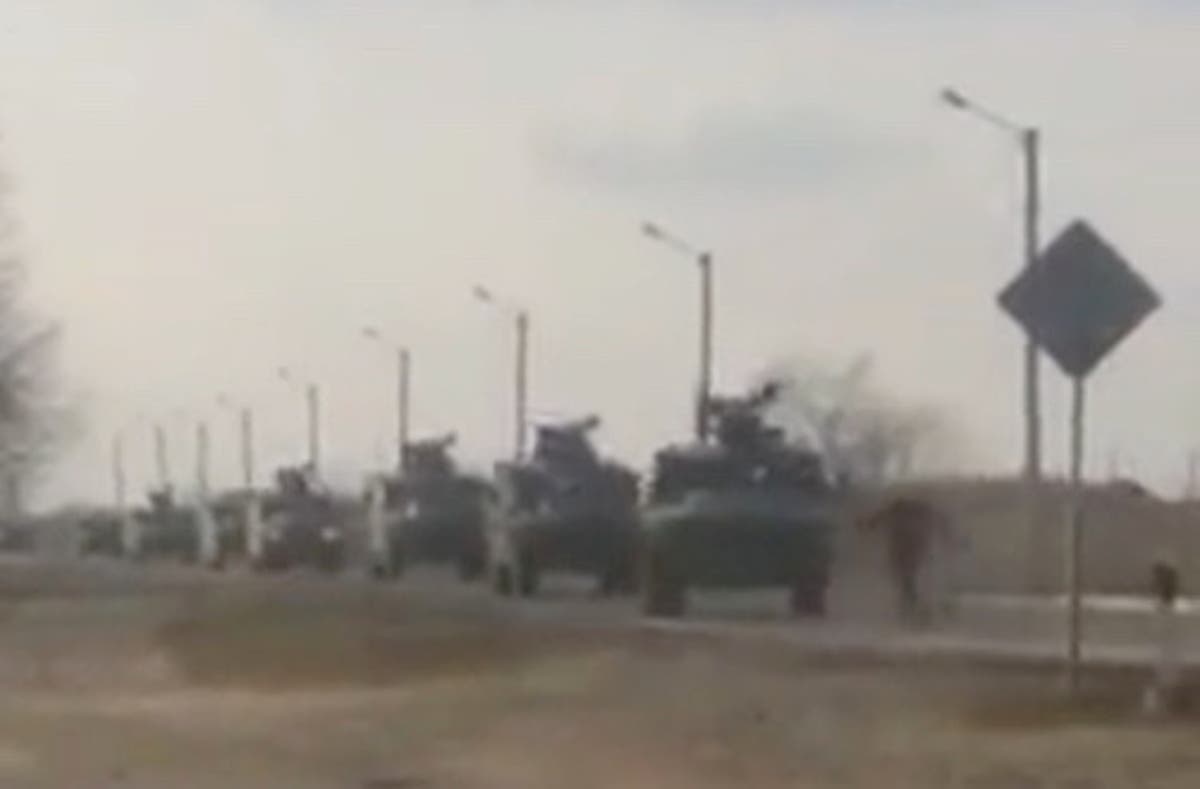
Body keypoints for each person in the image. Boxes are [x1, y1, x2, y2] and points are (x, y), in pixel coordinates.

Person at [860, 494, 956, 625]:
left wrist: (865, 525)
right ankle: (916, 609)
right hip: (912, 550)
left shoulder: (898, 510)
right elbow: (942, 523)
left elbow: (874, 522)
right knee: (911, 579)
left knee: (908, 580)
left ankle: (914, 609)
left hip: (905, 551)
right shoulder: (920, 511)